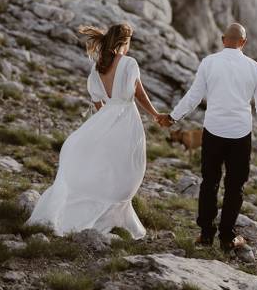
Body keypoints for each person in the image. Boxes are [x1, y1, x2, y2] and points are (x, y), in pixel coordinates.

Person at [26, 22, 163, 239]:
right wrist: (156, 115)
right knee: (128, 169)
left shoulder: (98, 66)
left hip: (105, 120)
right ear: (124, 42)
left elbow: (98, 101)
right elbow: (140, 94)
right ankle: (107, 217)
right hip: (127, 122)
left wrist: (105, 119)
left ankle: (106, 215)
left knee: (105, 167)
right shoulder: (129, 63)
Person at [158, 23, 257, 252]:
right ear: (244, 42)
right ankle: (227, 237)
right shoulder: (256, 69)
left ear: (222, 39)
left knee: (209, 182)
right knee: (235, 186)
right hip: (240, 134)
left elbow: (193, 96)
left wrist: (173, 117)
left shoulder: (209, 62)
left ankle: (206, 234)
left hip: (213, 131)